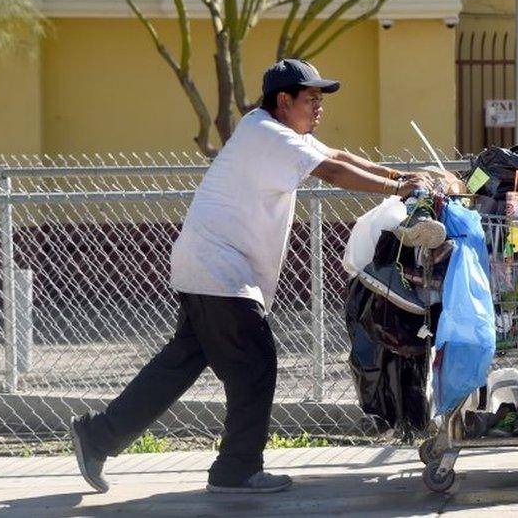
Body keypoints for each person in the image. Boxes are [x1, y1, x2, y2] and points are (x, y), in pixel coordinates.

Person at [69, 59, 433, 494]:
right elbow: (333, 172)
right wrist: (397, 191)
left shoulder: (270, 131)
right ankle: (235, 470)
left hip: (205, 267)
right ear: (284, 101)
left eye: (321, 100)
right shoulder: (268, 135)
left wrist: (398, 176)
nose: (320, 108)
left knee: (179, 364)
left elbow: (338, 156)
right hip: (222, 272)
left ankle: (97, 437)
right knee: (255, 364)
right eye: (311, 99)